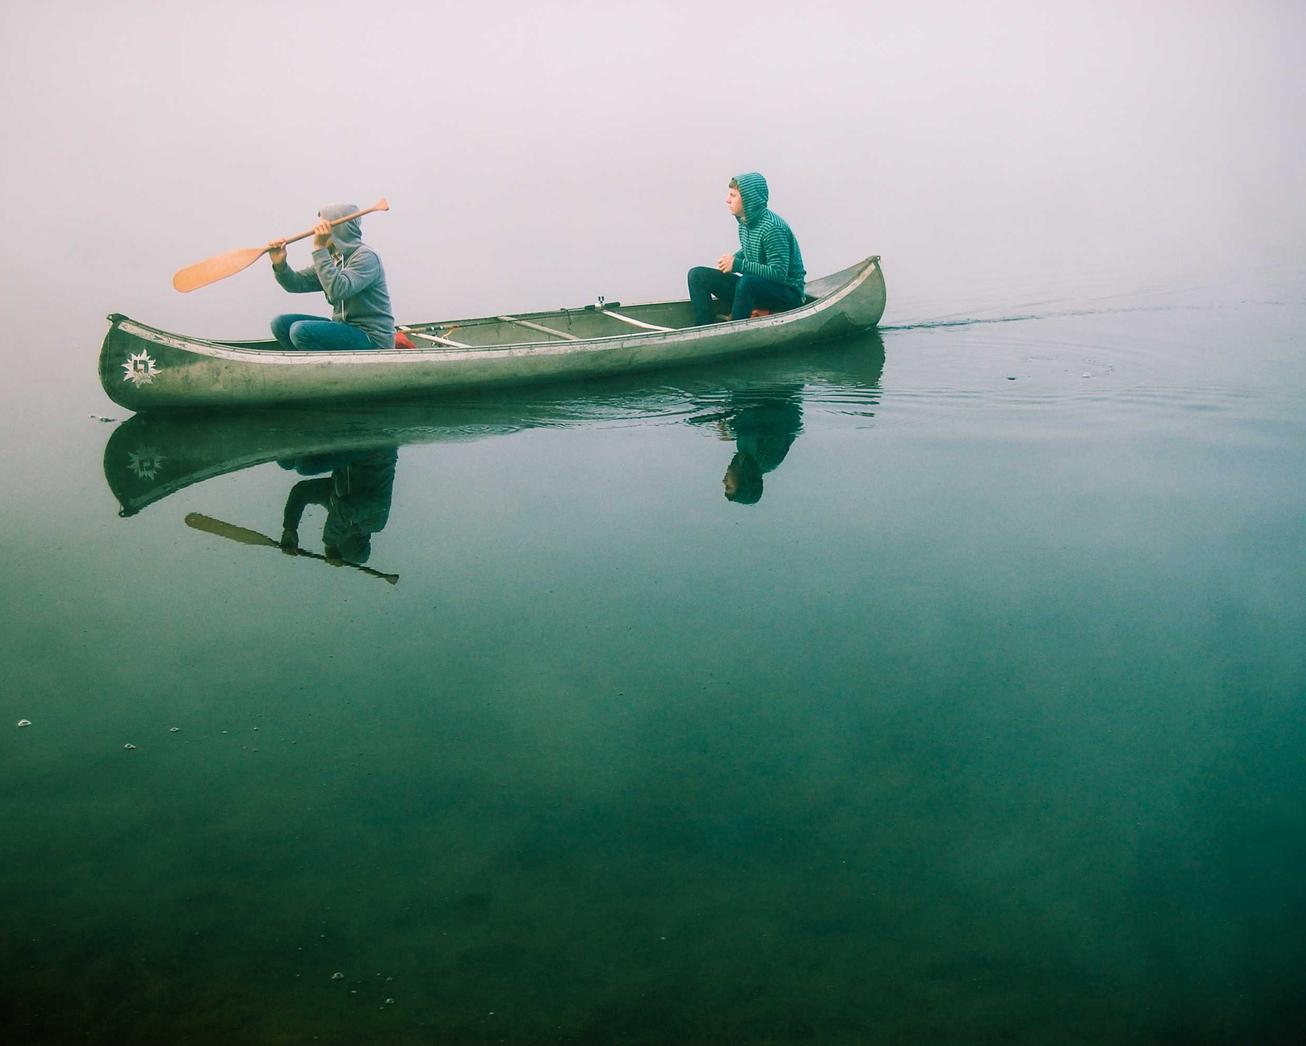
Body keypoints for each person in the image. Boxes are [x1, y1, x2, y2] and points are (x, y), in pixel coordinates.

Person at [268, 204, 395, 350]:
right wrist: (280, 265)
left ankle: (322, 369)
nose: (316, 232)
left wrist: (319, 249)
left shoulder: (366, 257)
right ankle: (306, 366)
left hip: (372, 337)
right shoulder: (333, 259)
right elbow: (295, 284)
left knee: (300, 331)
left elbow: (338, 290)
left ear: (339, 229)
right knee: (280, 324)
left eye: (323, 227)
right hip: (344, 328)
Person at [687, 172, 806, 327]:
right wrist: (732, 260)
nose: (727, 200)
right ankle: (703, 328)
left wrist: (738, 265)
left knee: (747, 282)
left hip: (787, 294)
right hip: (759, 288)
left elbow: (779, 274)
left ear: (749, 199)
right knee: (697, 275)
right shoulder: (745, 223)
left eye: (733, 195)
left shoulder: (773, 228)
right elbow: (750, 249)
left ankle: (735, 331)